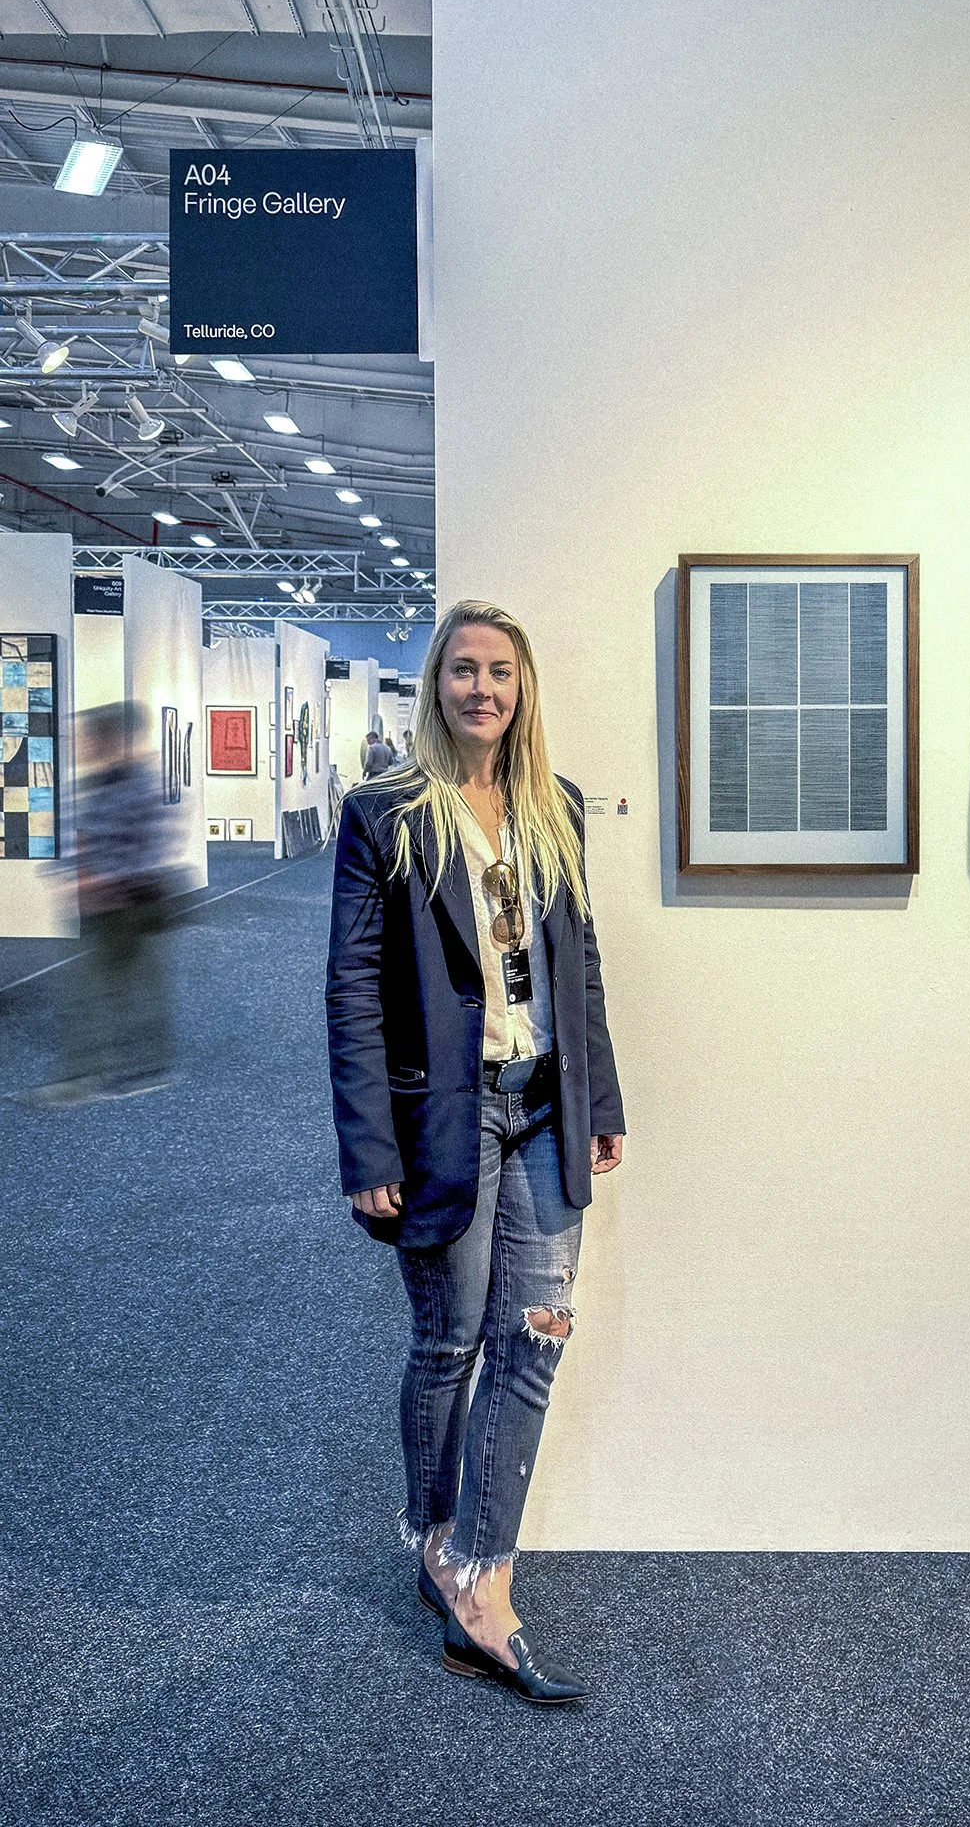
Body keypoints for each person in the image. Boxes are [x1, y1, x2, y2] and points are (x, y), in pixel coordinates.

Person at [325, 600, 624, 1706]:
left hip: (545, 1105)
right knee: (449, 1343)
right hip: (440, 1121)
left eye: (500, 671)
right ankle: (436, 1536)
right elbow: (353, 994)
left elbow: (578, 962)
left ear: (523, 684)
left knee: (535, 1336)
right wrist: (366, 1148)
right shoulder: (386, 812)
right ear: (436, 683)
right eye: (462, 669)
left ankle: (482, 1579)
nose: (481, 689)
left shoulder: (559, 809)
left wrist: (603, 1092)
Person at [22, 702, 177, 1107]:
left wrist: (101, 881)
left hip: (122, 906)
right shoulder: (106, 782)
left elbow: (142, 844)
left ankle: (92, 1076)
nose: (83, 744)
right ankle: (137, 1066)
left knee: (100, 992)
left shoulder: (135, 785)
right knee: (121, 989)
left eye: (90, 736)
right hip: (109, 904)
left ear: (113, 738)